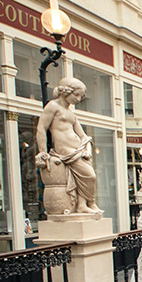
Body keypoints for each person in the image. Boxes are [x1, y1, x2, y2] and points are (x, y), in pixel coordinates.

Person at [35, 77, 101, 215]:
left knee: (84, 178)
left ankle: (82, 205)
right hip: (65, 150)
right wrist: (43, 151)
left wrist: (87, 149)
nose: (78, 99)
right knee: (90, 176)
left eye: (80, 97)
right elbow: (41, 128)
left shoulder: (71, 113)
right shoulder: (53, 106)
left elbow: (84, 136)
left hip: (78, 150)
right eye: (76, 95)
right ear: (66, 91)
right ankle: (91, 202)